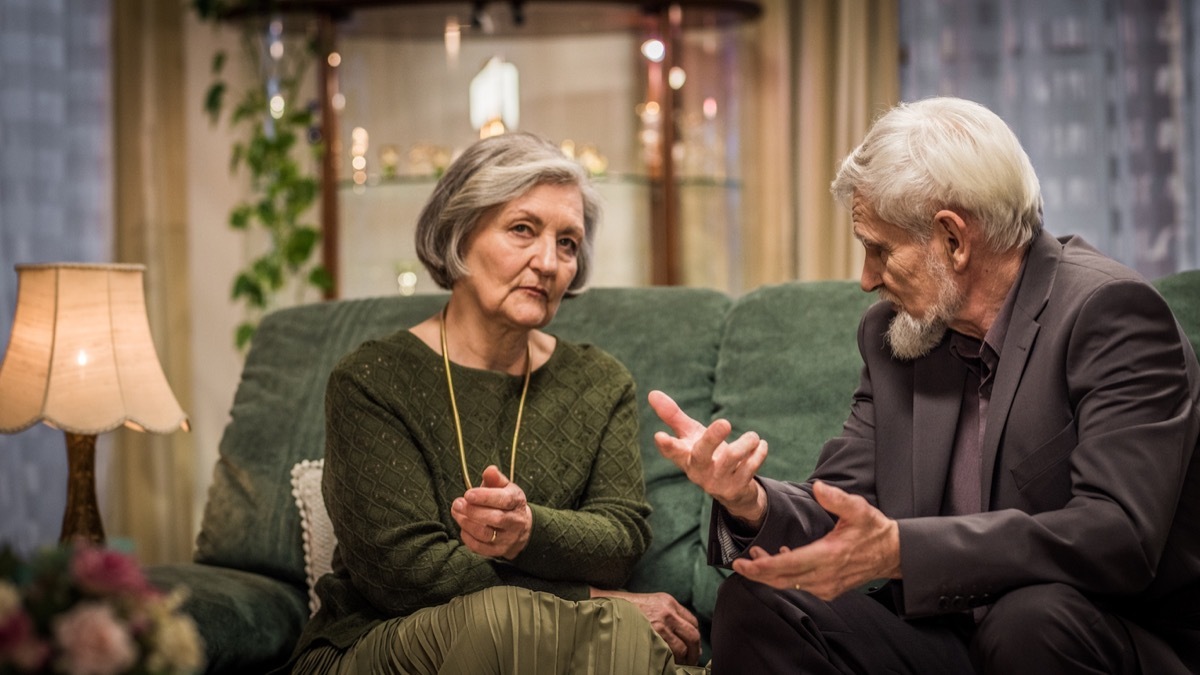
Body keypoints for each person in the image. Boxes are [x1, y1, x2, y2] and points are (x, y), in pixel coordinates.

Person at [650, 96, 1200, 674]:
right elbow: (843, 506)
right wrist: (748, 500)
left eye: (878, 249)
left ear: (954, 240)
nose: (865, 280)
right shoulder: (899, 337)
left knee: (1028, 622)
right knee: (761, 605)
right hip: (952, 637)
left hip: (1096, 636)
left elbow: (1120, 536)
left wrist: (905, 553)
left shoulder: (1109, 313)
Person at [283, 131, 704, 674]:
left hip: (555, 648)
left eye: (568, 243)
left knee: (594, 634)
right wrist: (594, 600)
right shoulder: (372, 379)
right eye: (522, 230)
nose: (548, 262)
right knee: (520, 623)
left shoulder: (600, 380)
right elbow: (403, 572)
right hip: (379, 641)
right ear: (460, 235)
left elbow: (621, 540)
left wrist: (529, 532)